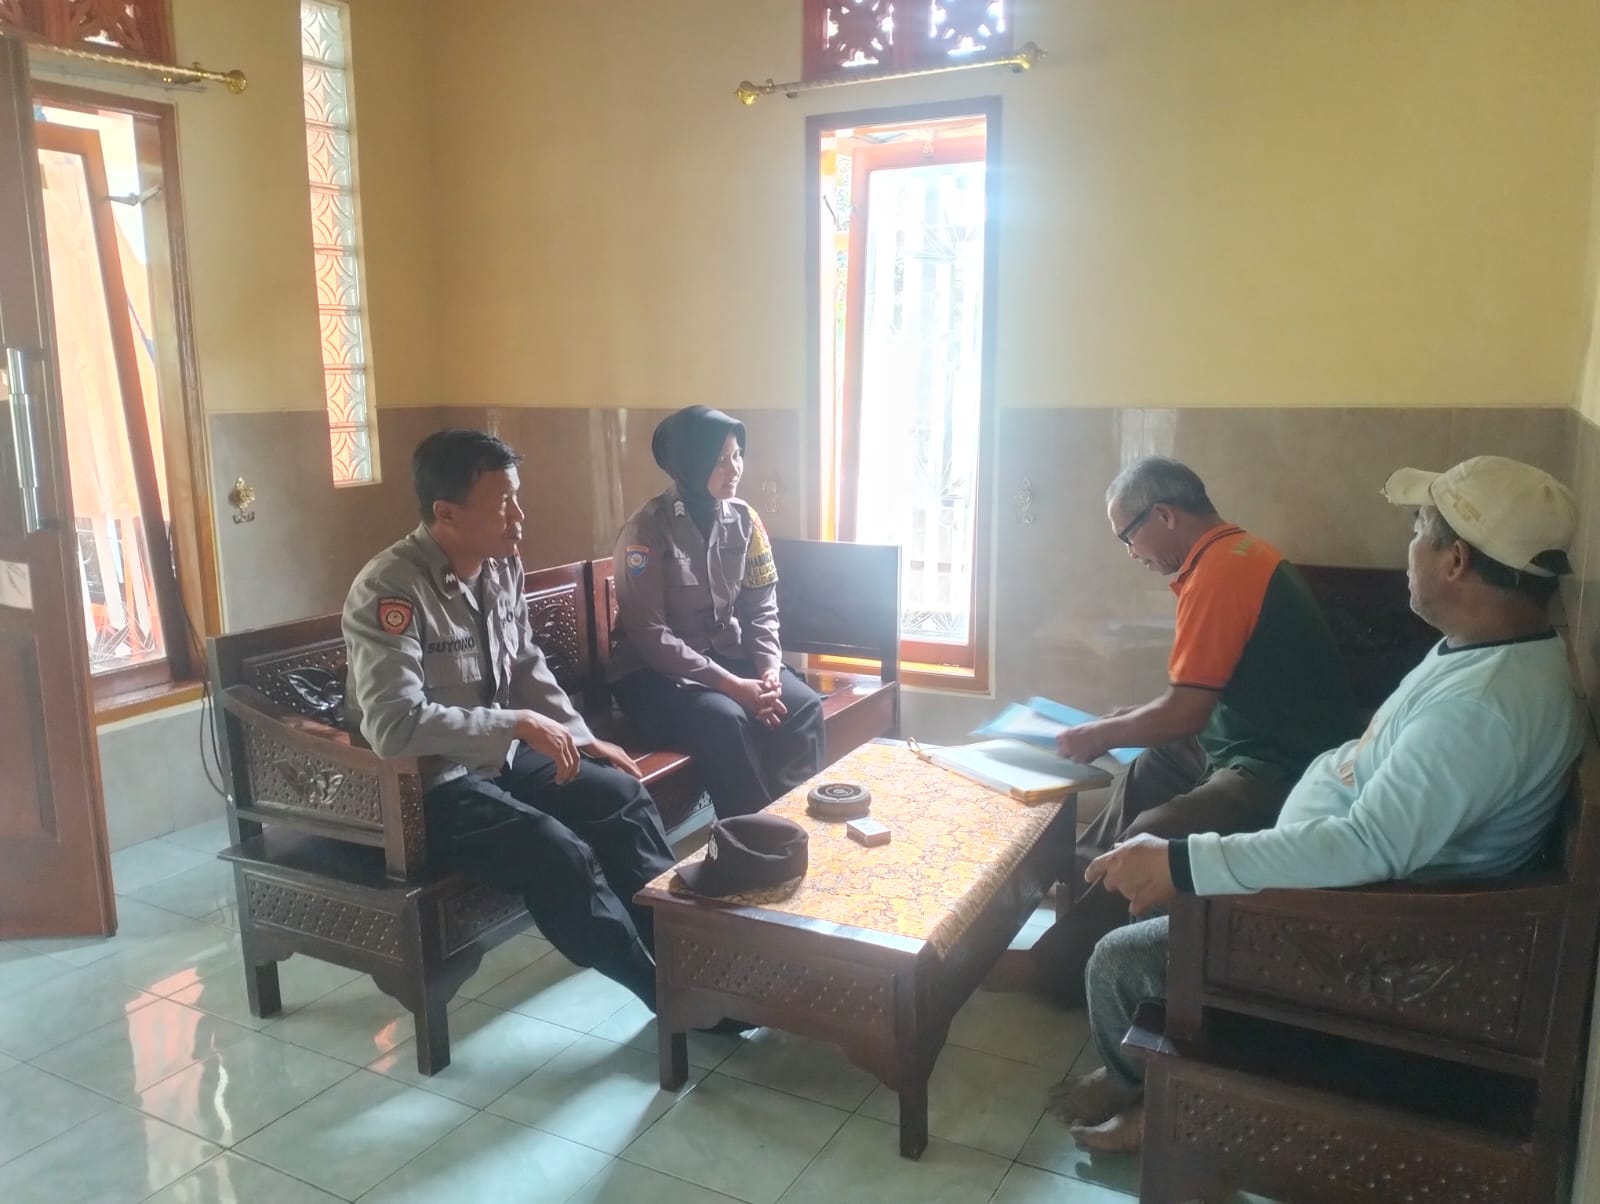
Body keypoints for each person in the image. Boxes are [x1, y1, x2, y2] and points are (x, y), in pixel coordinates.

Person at [1059, 455, 1582, 1154]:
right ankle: (1139, 1061)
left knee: (1118, 961)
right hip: (1329, 880)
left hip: (1348, 933)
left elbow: (1364, 848)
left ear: (1455, 560)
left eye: (1417, 533)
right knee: (1154, 804)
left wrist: (1183, 864)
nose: (1409, 551)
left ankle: (1159, 1097)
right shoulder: (1488, 653)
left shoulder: (1480, 710)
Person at [991, 456, 1357, 1004]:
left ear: (1163, 515)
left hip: (1284, 767)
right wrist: (1121, 720)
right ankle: (1085, 885)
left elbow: (1186, 713)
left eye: (1128, 537)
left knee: (1155, 830)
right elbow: (1202, 697)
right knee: (1150, 768)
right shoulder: (1234, 553)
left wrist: (1099, 736)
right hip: (1243, 738)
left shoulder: (1220, 573)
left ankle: (1056, 971)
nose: (1131, 553)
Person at [343, 429, 673, 1009]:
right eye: (502, 503)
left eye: (516, 497)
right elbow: (394, 726)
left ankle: (687, 956)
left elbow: (522, 663)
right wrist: (516, 725)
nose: (519, 516)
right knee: (557, 852)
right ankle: (656, 991)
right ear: (446, 513)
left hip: (501, 760)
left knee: (619, 797)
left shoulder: (499, 566)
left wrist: (580, 737)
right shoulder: (389, 588)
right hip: (427, 787)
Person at [608, 405, 825, 817]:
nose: (734, 468)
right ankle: (753, 836)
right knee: (727, 719)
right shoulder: (645, 530)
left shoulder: (746, 520)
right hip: (654, 676)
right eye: (720, 459)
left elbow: (762, 606)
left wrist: (768, 670)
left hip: (726, 658)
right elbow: (650, 635)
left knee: (803, 706)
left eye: (737, 455)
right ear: (689, 464)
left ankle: (794, 825)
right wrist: (732, 685)